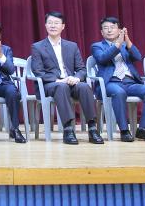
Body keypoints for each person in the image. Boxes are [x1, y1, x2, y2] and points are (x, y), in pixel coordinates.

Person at [30, 11, 103, 144]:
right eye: (50, 23)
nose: (53, 26)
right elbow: (38, 72)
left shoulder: (72, 46)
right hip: (51, 85)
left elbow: (81, 69)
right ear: (45, 25)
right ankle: (68, 129)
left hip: (71, 82)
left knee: (84, 86)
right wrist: (58, 80)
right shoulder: (38, 47)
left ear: (63, 26)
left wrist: (76, 78)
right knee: (61, 86)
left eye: (56, 23)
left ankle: (92, 128)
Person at [91, 17, 145, 142]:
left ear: (119, 30)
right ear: (101, 32)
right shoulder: (97, 46)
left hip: (129, 82)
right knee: (119, 92)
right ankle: (124, 130)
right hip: (110, 83)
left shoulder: (124, 45)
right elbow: (103, 58)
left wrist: (126, 40)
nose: (109, 30)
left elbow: (137, 56)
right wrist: (117, 44)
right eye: (106, 28)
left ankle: (143, 129)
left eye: (112, 27)